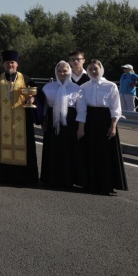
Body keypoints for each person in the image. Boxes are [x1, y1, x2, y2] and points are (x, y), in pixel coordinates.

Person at [0, 50, 39, 186]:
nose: (10, 65)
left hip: (22, 122)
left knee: (25, 148)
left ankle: (26, 177)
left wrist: (33, 99)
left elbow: (36, 96)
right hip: (2, 121)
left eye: (12, 62)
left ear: (17, 64)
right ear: (3, 65)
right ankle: (3, 176)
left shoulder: (26, 79)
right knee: (3, 147)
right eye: (7, 63)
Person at [82, 59, 128, 195]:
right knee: (91, 152)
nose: (93, 71)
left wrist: (113, 126)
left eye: (96, 68)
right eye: (90, 69)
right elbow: (82, 108)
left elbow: (115, 108)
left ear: (101, 69)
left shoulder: (111, 86)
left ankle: (107, 185)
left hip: (105, 121)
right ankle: (91, 184)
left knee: (106, 154)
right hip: (90, 120)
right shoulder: (84, 86)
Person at [39, 61, 86, 189]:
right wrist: (43, 122)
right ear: (55, 72)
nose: (62, 73)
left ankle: (68, 179)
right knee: (52, 149)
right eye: (59, 71)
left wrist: (81, 128)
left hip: (70, 124)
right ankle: (50, 178)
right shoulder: (48, 87)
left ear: (69, 71)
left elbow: (81, 110)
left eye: (64, 71)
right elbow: (44, 107)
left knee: (69, 150)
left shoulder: (77, 88)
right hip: (53, 123)